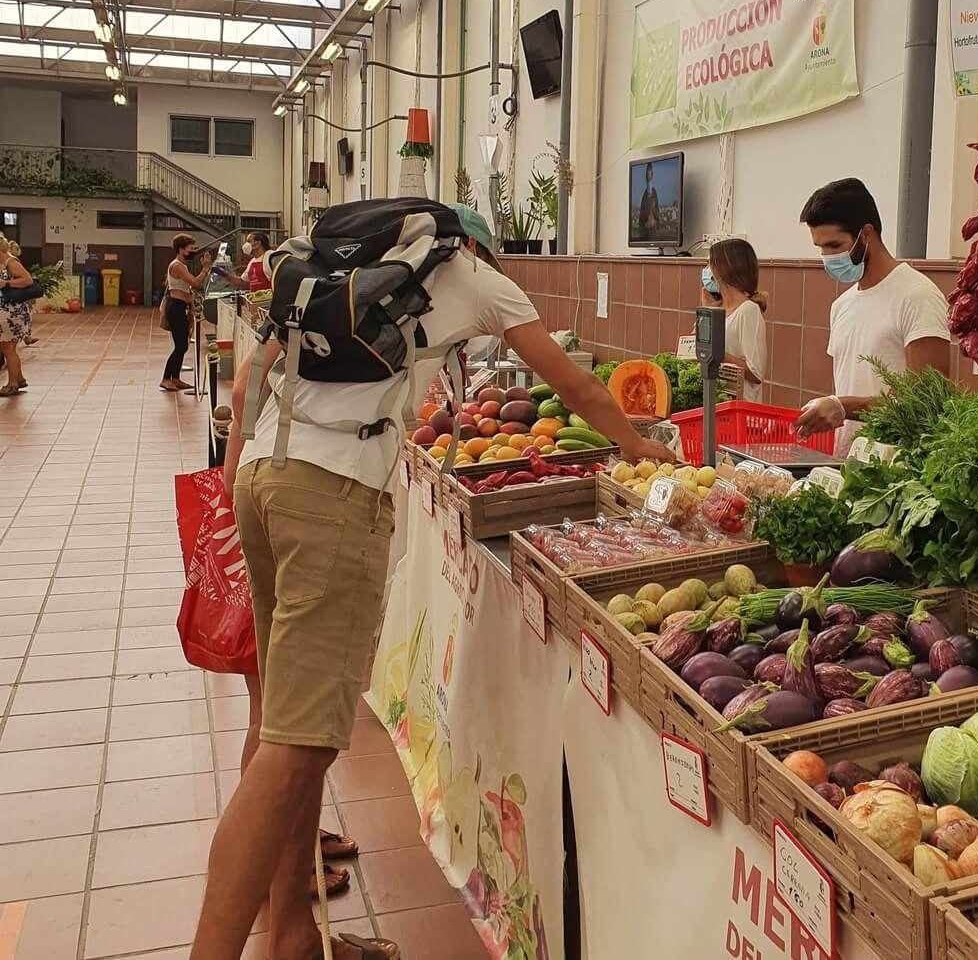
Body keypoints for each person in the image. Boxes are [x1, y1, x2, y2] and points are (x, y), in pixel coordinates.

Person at [194, 202, 674, 960]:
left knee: (286, 730)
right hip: (334, 496)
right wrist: (644, 446)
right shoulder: (475, 276)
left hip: (265, 476)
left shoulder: (335, 263)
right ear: (481, 245)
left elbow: (252, 375)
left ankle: (290, 935)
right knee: (294, 746)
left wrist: (233, 489)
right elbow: (576, 388)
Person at [795, 178, 950, 450]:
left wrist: (843, 406)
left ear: (866, 235)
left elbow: (925, 398)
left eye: (834, 246)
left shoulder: (917, 296)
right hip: (849, 467)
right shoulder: (842, 305)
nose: (827, 257)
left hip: (898, 472)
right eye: (820, 249)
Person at [699, 238, 768, 402]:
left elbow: (756, 373)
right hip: (712, 403)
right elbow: (694, 350)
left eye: (710, 264)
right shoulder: (716, 308)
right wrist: (706, 312)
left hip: (739, 410)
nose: (706, 271)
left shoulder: (748, 310)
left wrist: (719, 354)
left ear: (725, 269)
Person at [162, 234, 211, 392]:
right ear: (181, 249)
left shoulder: (183, 266)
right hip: (175, 306)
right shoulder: (177, 266)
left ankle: (175, 378)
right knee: (181, 345)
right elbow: (196, 283)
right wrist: (205, 269)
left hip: (181, 306)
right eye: (191, 249)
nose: (193, 252)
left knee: (183, 345)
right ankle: (165, 378)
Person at [0, 236, 34, 397]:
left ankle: (12, 384)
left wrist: (6, 283)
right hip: (8, 312)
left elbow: (27, 280)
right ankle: (19, 379)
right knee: (8, 348)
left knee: (8, 348)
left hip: (12, 313)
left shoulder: (10, 262)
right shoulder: (4, 263)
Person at [637, 162, 661, 241]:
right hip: (646, 229)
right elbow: (642, 213)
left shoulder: (654, 192)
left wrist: (654, 220)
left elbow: (656, 209)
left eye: (650, 174)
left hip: (653, 228)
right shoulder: (645, 194)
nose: (649, 176)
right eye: (648, 174)